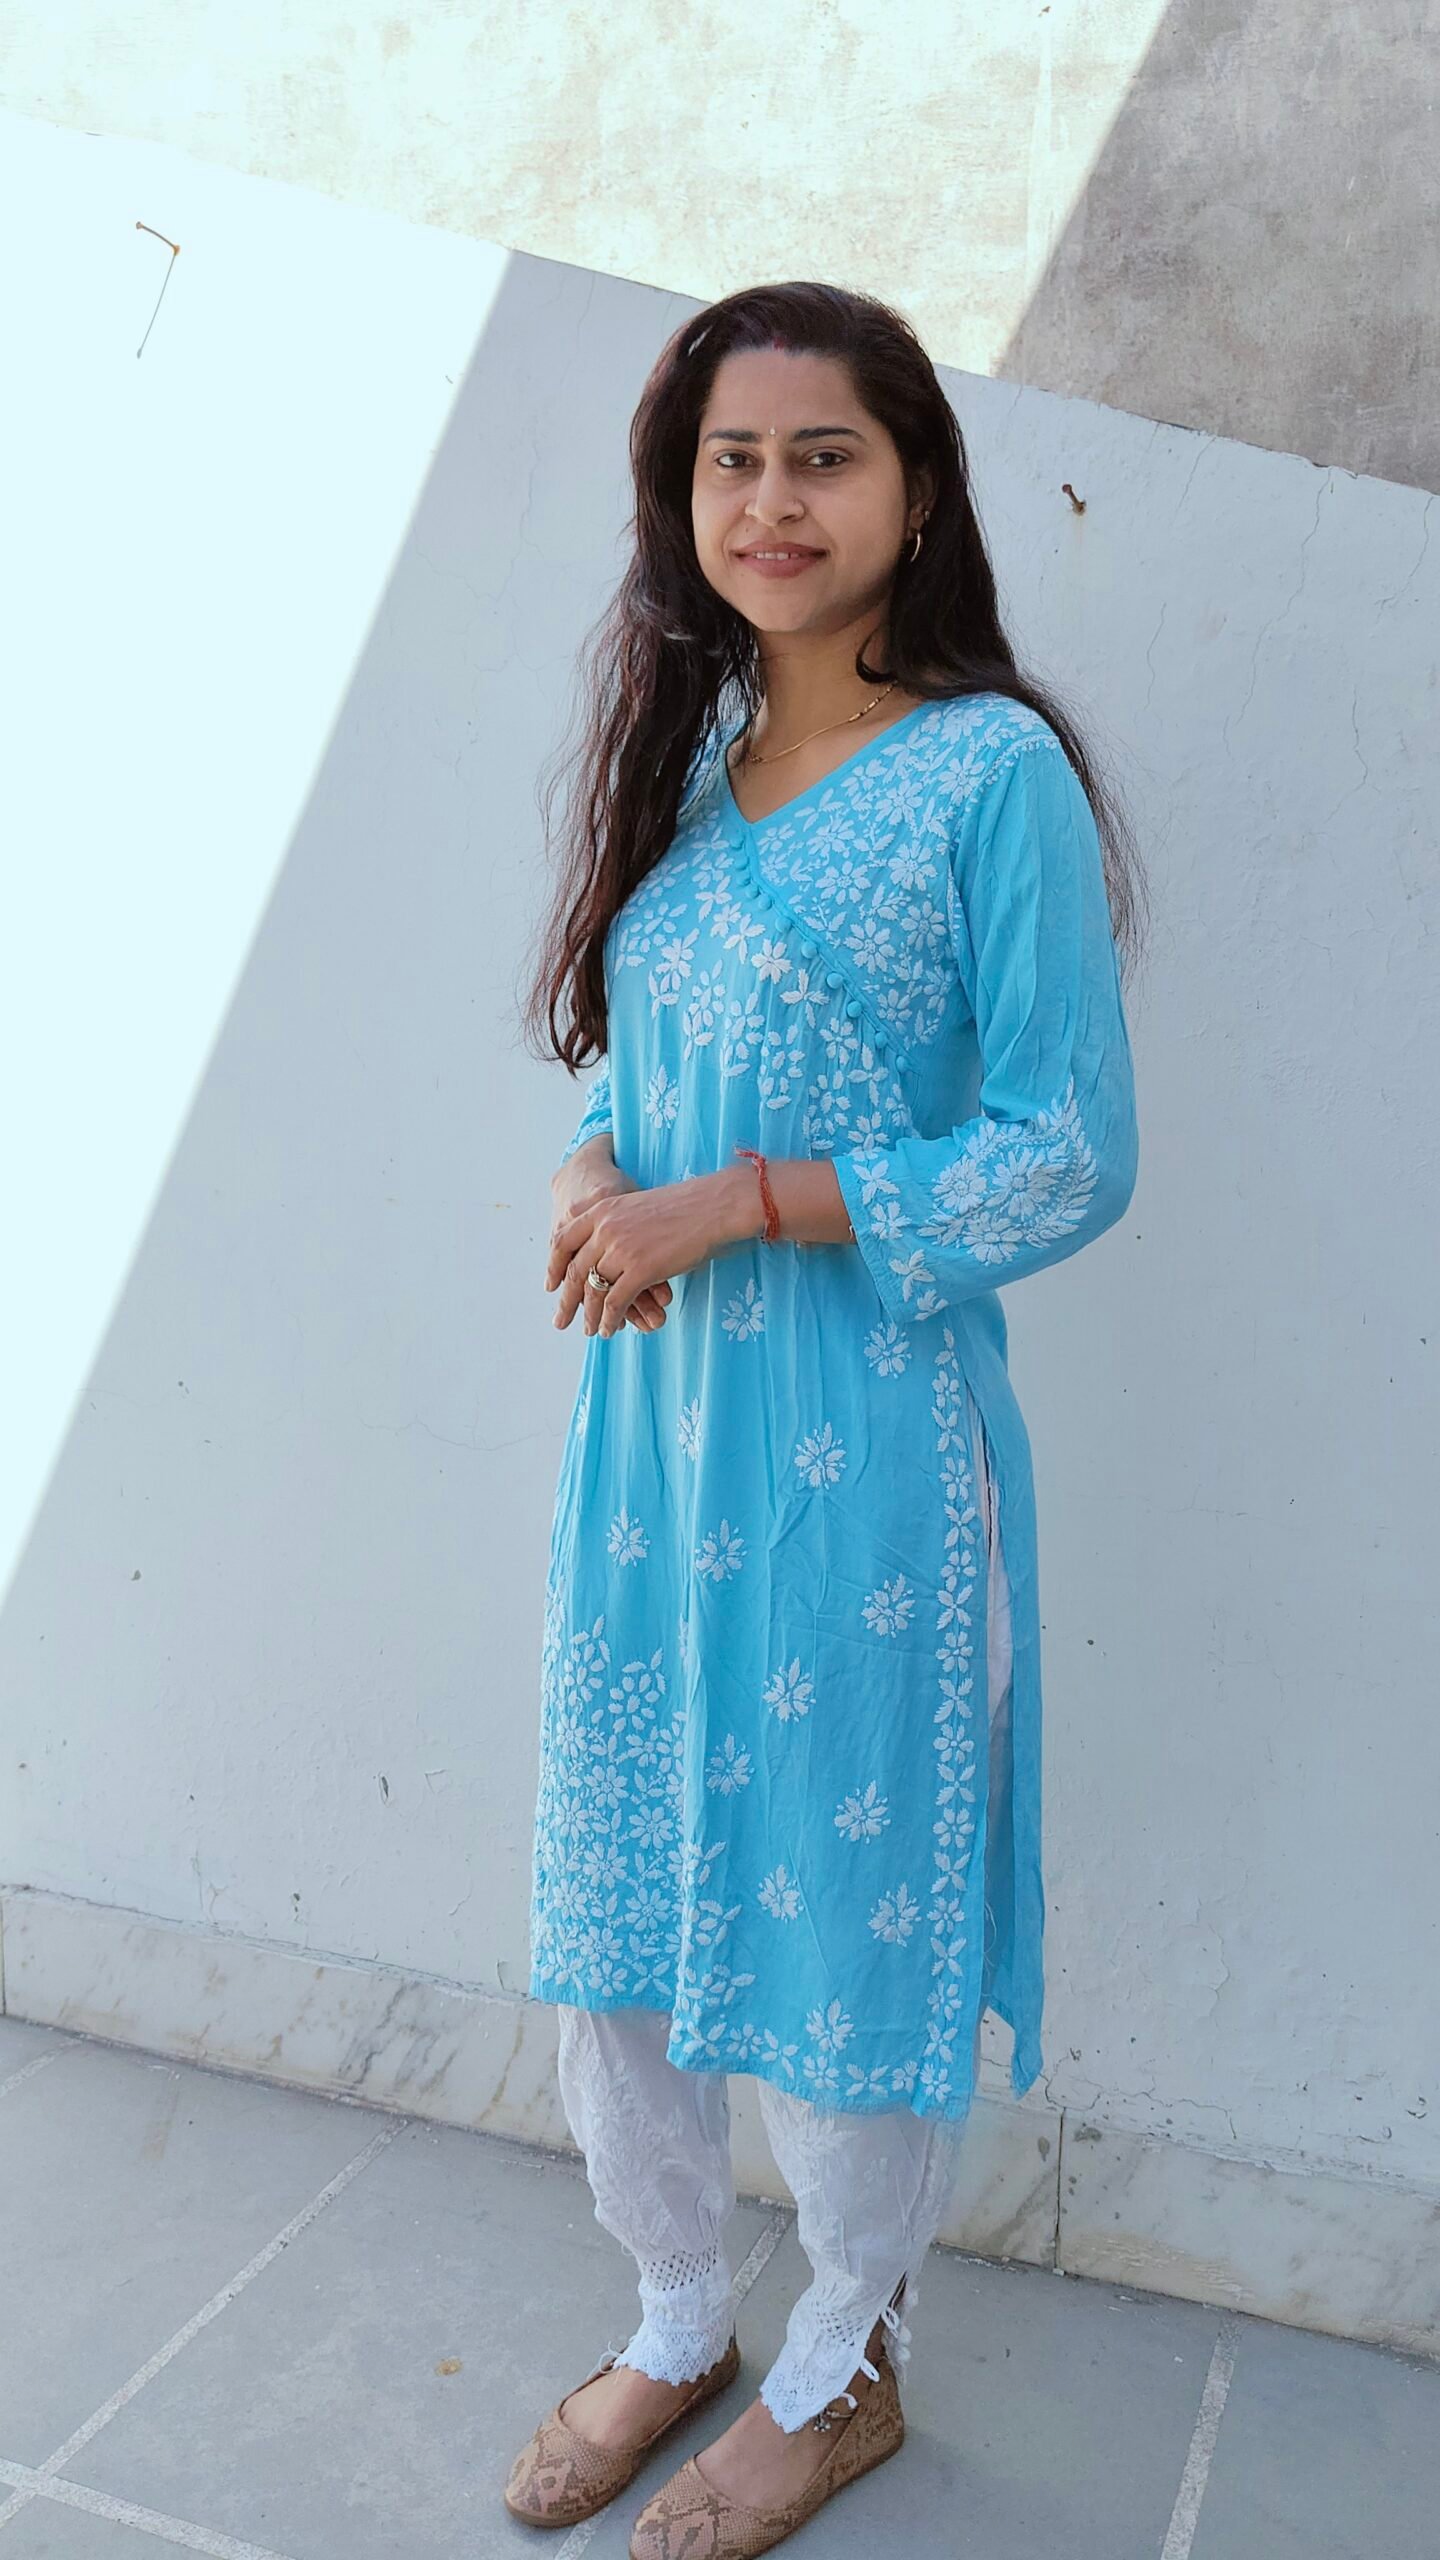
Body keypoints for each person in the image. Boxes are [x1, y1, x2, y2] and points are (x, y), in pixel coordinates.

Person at [506, 280, 1145, 2556]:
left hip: (868, 1464)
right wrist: (597, 1173)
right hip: (651, 1461)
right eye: (732, 460)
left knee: (840, 1906)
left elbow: (1068, 1151)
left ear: (918, 489)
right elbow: (648, 1084)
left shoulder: (990, 777)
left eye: (822, 455)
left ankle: (840, 2354)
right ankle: (681, 2303)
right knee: (624, 1891)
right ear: (682, 499)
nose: (770, 500)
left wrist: (751, 1202)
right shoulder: (685, 765)